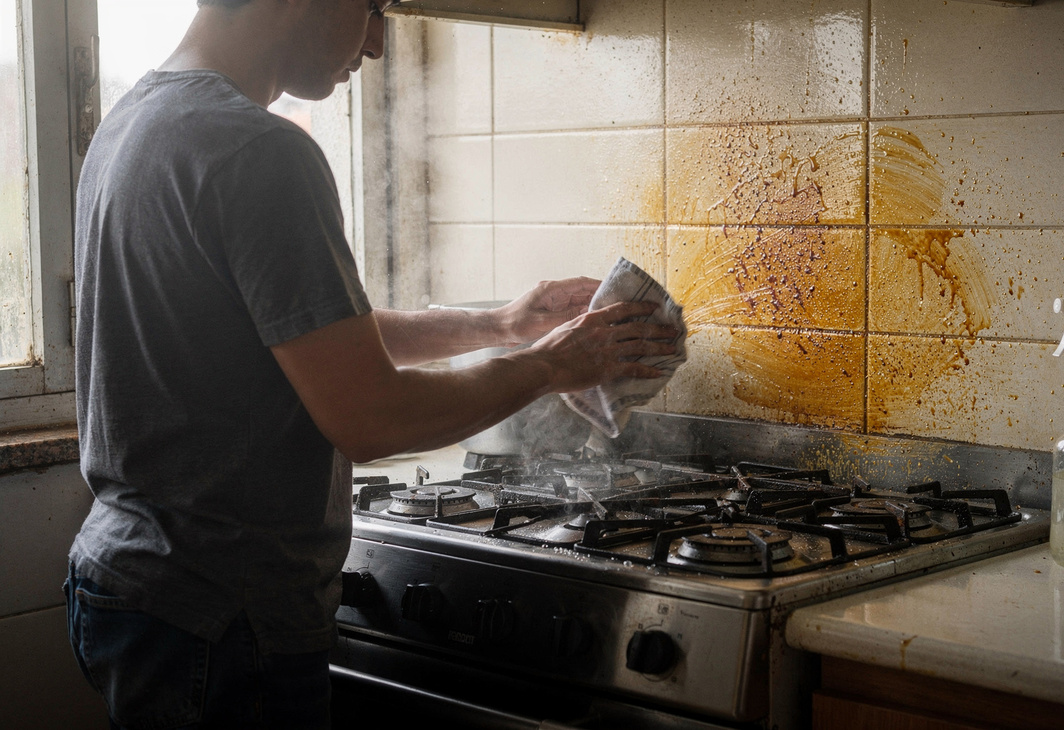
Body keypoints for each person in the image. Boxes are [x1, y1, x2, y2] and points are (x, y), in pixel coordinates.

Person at [64, 1, 677, 728]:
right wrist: (549, 366)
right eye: (373, 7)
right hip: (225, 613)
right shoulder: (258, 152)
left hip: (133, 583)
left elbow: (309, 337)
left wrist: (500, 326)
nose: (381, 43)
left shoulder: (136, 121)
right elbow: (372, 419)